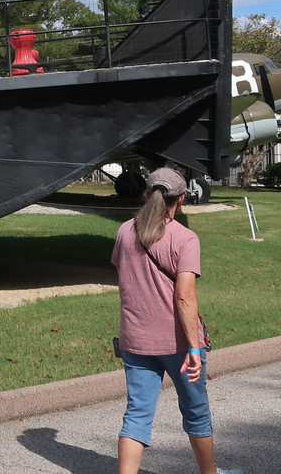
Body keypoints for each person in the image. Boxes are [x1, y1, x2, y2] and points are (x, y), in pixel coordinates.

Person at [111, 167, 242, 474]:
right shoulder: (185, 238)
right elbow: (184, 297)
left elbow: (124, 281)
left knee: (137, 415)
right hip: (179, 344)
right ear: (181, 200)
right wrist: (195, 349)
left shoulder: (124, 231)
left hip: (135, 339)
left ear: (146, 195)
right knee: (196, 411)